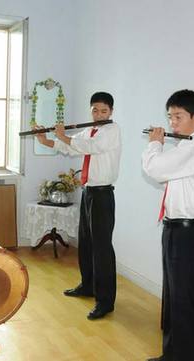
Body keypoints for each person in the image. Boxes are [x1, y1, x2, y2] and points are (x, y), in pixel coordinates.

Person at [142, 89, 194, 361]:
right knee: (173, 300)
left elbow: (154, 168)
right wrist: (163, 150)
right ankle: (171, 355)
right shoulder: (187, 148)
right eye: (170, 117)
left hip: (186, 234)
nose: (172, 123)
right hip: (175, 230)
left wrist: (155, 144)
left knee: (183, 304)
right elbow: (165, 179)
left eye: (178, 116)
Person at [35, 92, 121, 320]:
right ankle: (88, 286)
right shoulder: (89, 131)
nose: (99, 114)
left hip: (103, 195)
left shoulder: (112, 131)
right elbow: (74, 148)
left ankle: (105, 301)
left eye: (103, 110)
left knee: (102, 248)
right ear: (90, 110)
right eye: (95, 110)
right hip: (88, 192)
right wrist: (47, 140)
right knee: (86, 243)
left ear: (111, 111)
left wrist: (64, 136)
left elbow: (90, 147)